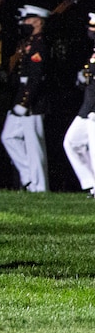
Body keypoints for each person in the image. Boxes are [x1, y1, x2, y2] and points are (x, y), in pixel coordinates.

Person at [1, 4, 50, 192]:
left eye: (28, 20)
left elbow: (36, 78)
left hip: (33, 103)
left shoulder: (39, 45)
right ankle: (29, 176)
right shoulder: (28, 43)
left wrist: (24, 102)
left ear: (38, 21)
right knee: (8, 137)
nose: (24, 23)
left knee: (34, 145)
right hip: (21, 99)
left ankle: (39, 186)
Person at [63, 12, 95, 196]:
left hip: (94, 108)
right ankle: (90, 182)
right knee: (71, 142)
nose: (90, 31)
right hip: (88, 107)